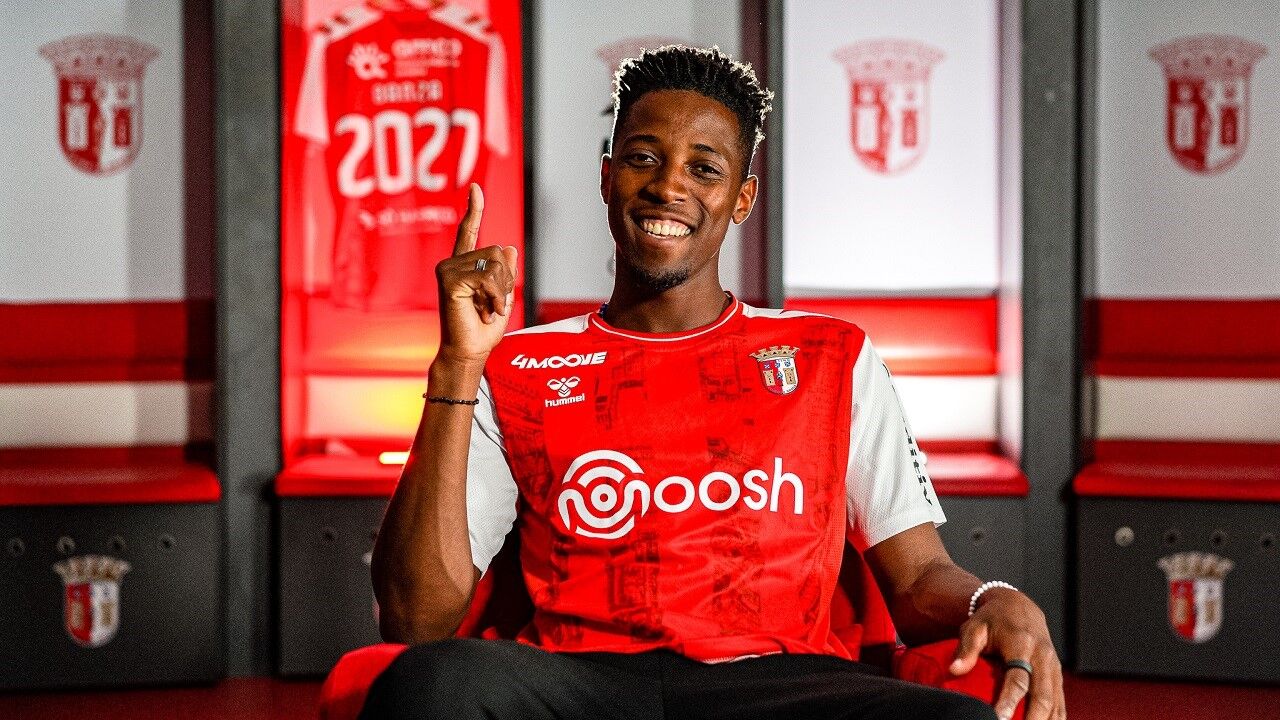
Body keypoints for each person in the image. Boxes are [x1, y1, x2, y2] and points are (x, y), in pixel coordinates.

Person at [364, 45, 1064, 720]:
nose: (668, 186)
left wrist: (993, 598)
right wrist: (456, 364)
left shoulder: (831, 355)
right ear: (607, 178)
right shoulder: (515, 364)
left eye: (704, 168)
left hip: (779, 684)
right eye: (643, 158)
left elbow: (915, 579)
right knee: (429, 683)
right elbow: (415, 618)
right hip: (582, 681)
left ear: (741, 198)